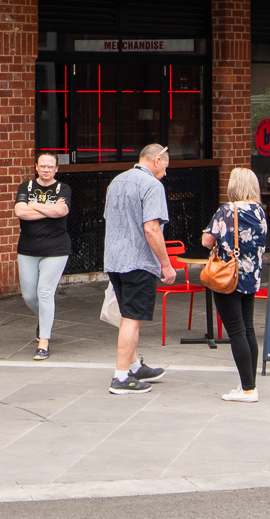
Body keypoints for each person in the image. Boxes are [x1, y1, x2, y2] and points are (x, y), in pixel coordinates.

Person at [101, 143, 173, 394]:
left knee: (128, 316)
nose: (165, 172)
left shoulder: (117, 182)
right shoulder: (153, 185)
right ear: (156, 161)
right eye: (165, 166)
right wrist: (166, 264)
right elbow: (152, 228)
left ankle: (133, 366)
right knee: (133, 319)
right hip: (139, 261)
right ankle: (121, 377)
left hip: (115, 260)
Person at [201, 166, 268, 403]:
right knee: (247, 329)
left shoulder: (227, 210)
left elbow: (207, 240)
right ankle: (249, 384)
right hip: (250, 278)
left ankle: (248, 389)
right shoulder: (260, 212)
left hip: (228, 278)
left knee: (236, 332)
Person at [14, 151, 72, 360]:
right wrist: (49, 209)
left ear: (56, 169)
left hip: (56, 248)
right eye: (43, 166)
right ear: (36, 167)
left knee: (45, 292)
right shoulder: (26, 187)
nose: (46, 170)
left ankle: (43, 341)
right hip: (28, 248)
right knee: (29, 295)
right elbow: (20, 212)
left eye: (50, 166)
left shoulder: (63, 188)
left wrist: (35, 205)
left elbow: (61, 212)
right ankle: (44, 319)